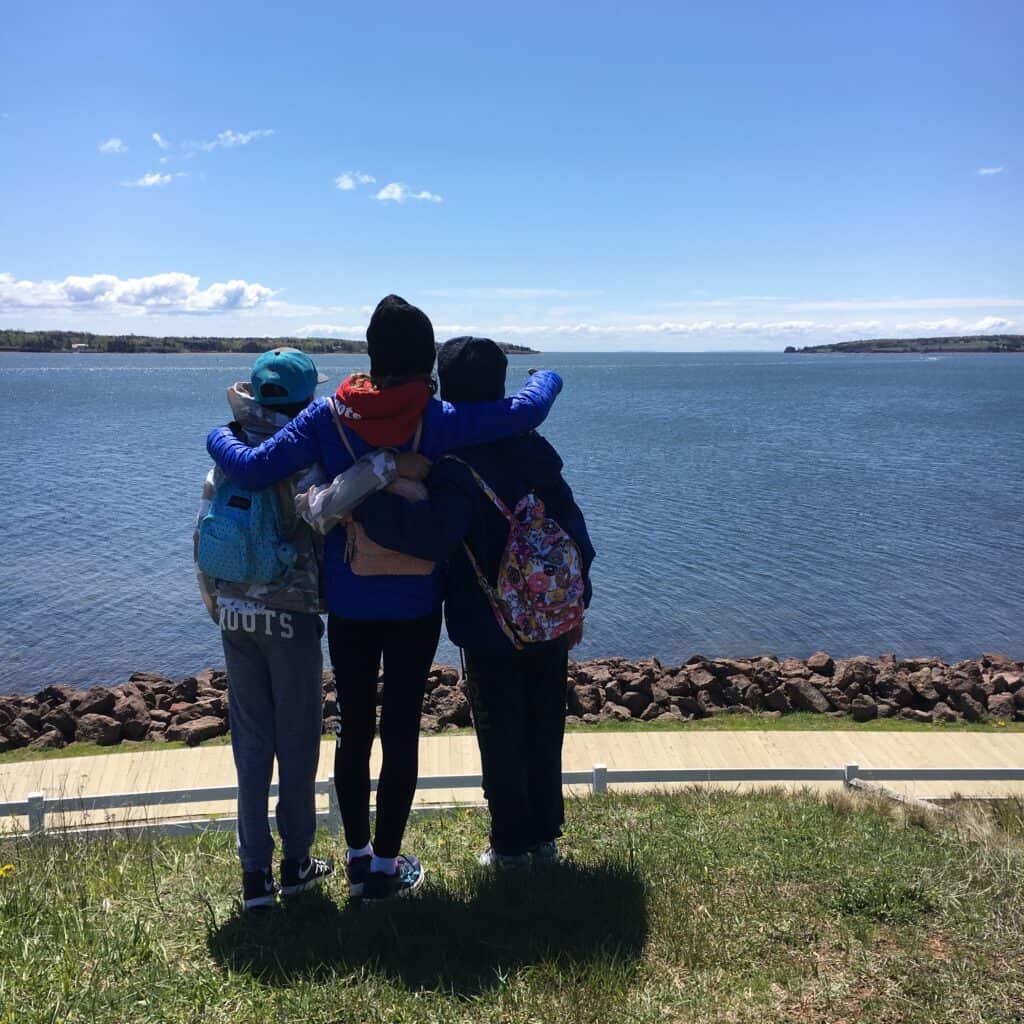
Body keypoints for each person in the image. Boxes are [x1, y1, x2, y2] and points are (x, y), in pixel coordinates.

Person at [205, 296, 564, 901]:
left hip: (349, 604)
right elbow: (525, 412)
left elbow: (253, 467)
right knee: (401, 733)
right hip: (416, 606)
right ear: (426, 360)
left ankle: (355, 857)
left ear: (371, 355)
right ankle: (387, 871)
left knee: (353, 730)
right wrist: (547, 375)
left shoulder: (326, 416)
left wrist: (218, 434)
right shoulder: (440, 417)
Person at [353, 336, 595, 867]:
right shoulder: (534, 448)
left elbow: (434, 534)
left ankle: (510, 845)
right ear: (502, 383)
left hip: (489, 625)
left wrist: (363, 508)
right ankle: (544, 838)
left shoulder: (455, 461)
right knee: (543, 725)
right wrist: (577, 603)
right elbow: (574, 531)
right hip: (550, 618)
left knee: (501, 729)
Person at [195, 348, 336, 911]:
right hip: (292, 615)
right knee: (297, 743)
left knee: (250, 746)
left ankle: (254, 875)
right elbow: (324, 519)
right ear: (305, 400)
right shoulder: (301, 459)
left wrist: (221, 607)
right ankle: (297, 864)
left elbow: (203, 538)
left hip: (233, 612)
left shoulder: (227, 455)